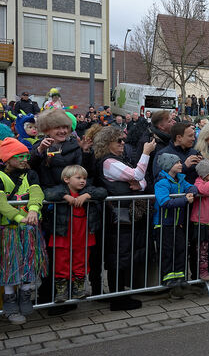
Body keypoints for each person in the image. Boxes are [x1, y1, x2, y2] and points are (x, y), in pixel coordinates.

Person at [94, 126, 155, 311]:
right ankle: (118, 298)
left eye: (123, 140)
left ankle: (121, 295)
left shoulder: (118, 160)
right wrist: (145, 152)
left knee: (125, 255)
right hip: (118, 216)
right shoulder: (108, 162)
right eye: (118, 140)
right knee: (118, 256)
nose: (122, 143)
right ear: (107, 143)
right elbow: (137, 174)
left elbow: (142, 181)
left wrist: (139, 182)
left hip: (126, 215)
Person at [0, 138, 48, 325]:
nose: (23, 159)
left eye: (25, 155)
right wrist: (19, 217)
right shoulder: (1, 177)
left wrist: (34, 209)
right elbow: (1, 203)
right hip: (9, 229)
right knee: (10, 266)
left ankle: (25, 296)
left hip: (29, 230)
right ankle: (10, 304)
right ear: (7, 159)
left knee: (28, 263)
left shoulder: (31, 174)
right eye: (18, 156)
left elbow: (37, 192)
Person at [44, 165, 107, 302]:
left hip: (83, 236)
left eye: (84, 178)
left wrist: (87, 195)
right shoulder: (60, 190)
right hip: (63, 236)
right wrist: (65, 196)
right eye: (78, 178)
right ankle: (62, 291)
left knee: (81, 261)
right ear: (66, 179)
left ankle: (78, 288)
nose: (82, 181)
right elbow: (48, 193)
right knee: (61, 262)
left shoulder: (87, 190)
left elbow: (102, 192)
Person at [153, 153, 196, 295]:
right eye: (177, 162)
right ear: (168, 166)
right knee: (167, 252)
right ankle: (167, 279)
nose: (180, 164)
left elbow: (192, 187)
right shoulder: (162, 182)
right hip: (163, 224)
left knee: (180, 249)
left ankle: (180, 277)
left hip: (178, 224)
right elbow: (164, 202)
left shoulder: (181, 180)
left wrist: (191, 192)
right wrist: (185, 200)